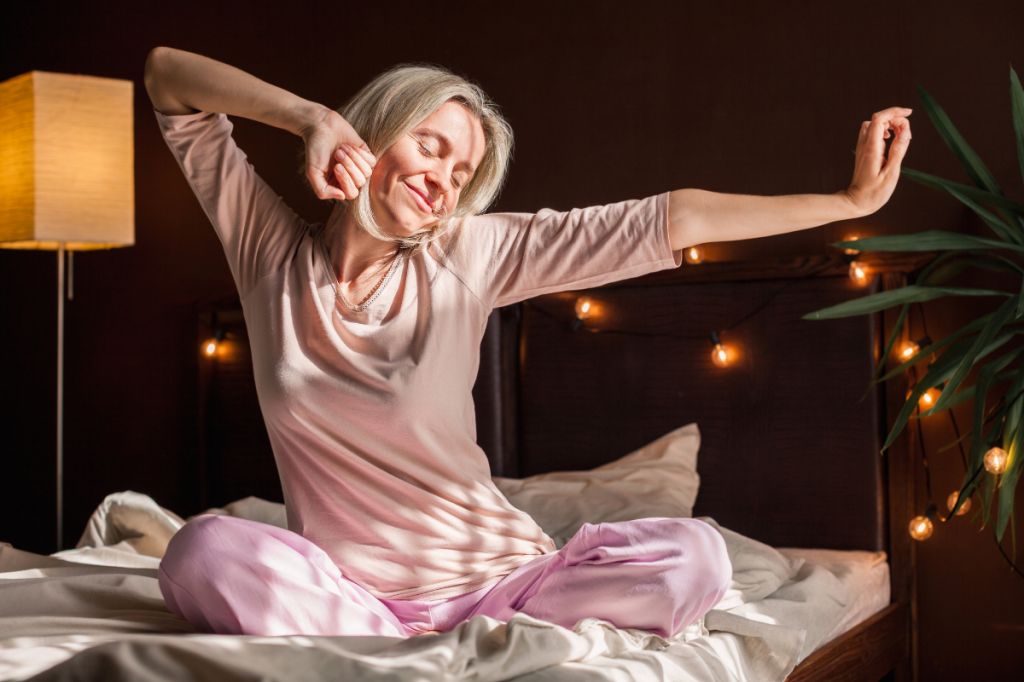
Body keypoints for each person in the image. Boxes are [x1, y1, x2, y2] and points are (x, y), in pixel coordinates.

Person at [144, 46, 912, 639]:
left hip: (506, 587)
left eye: (464, 170)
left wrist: (846, 201)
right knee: (200, 552)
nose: (446, 178)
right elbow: (166, 76)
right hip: (352, 598)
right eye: (431, 146)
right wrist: (309, 116)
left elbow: (667, 220)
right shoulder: (267, 255)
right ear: (369, 133)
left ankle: (439, 644)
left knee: (696, 558)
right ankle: (404, 646)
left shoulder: (466, 253)